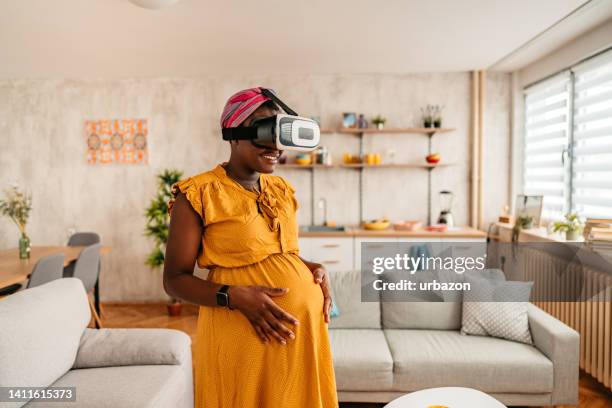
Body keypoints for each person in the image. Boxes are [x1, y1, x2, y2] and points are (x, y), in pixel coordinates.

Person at [163, 87, 339, 408]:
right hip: (243, 335)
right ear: (234, 136)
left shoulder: (282, 189)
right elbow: (174, 279)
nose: (275, 146)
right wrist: (232, 295)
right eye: (264, 132)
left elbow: (281, 253)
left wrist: (310, 269)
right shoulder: (198, 194)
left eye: (279, 134)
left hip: (302, 336)